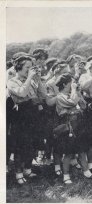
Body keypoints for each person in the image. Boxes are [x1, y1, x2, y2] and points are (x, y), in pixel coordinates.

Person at [7, 55, 47, 184]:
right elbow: (22, 94)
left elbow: (43, 95)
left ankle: (28, 169)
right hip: (20, 117)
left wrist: (38, 79)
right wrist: (30, 78)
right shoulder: (12, 81)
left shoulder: (32, 80)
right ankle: (18, 173)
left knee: (32, 144)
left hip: (33, 115)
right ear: (18, 67)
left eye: (31, 67)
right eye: (27, 67)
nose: (30, 70)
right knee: (20, 146)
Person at [54, 73, 92, 184]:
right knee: (68, 153)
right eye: (71, 83)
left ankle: (86, 171)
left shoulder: (73, 93)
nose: (73, 84)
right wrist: (74, 92)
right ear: (65, 84)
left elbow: (83, 106)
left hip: (78, 125)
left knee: (81, 150)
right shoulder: (60, 97)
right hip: (68, 127)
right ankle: (66, 175)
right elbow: (72, 102)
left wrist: (78, 92)